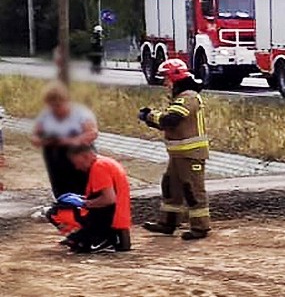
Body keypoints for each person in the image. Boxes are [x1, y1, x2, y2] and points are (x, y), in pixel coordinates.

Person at [138, 59, 211, 240]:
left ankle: (200, 227)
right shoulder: (182, 97)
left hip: (191, 155)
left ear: (175, 77)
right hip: (178, 154)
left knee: (193, 190)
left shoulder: (188, 97)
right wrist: (152, 118)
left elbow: (170, 120)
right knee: (171, 188)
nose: (165, 83)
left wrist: (149, 115)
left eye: (166, 78)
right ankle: (167, 223)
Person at [31, 82, 99, 198]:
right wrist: (41, 141)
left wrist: (71, 140)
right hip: (54, 155)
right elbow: (35, 136)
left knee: (83, 186)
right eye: (52, 106)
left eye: (58, 105)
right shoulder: (46, 114)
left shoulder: (81, 113)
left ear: (66, 101)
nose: (55, 109)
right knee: (60, 187)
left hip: (78, 153)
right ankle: (64, 206)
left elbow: (93, 133)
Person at [62, 145, 132, 253]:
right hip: (118, 226)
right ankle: (83, 237)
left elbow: (109, 199)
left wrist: (83, 203)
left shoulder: (99, 167)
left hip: (111, 226)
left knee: (58, 212)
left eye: (77, 163)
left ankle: (98, 239)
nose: (77, 167)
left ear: (85, 156)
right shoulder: (105, 162)